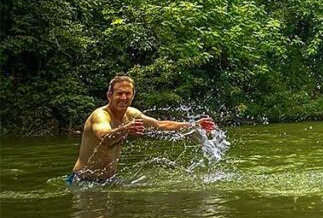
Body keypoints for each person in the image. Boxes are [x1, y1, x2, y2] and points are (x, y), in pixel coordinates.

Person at [69, 75, 216, 184]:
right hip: (84, 182)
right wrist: (125, 129)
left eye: (128, 93)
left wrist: (193, 125)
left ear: (133, 95)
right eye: (119, 93)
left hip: (109, 181)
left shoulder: (131, 114)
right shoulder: (100, 115)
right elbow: (105, 137)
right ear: (109, 96)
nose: (124, 97)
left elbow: (159, 125)